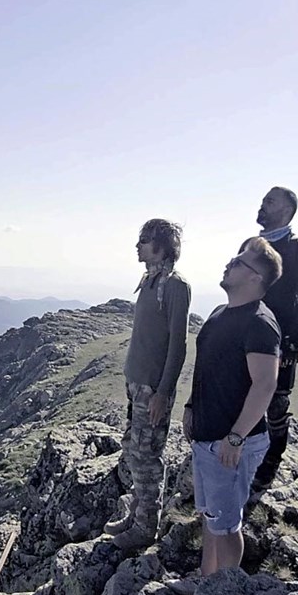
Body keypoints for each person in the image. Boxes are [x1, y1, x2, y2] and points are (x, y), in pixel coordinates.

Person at [170, 237, 282, 595]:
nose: (229, 264)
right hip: (208, 436)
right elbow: (208, 368)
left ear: (255, 278)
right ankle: (207, 580)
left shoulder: (259, 324)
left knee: (227, 523)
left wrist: (236, 437)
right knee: (211, 516)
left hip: (230, 443)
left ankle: (224, 593)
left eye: (238, 262)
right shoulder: (221, 314)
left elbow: (265, 384)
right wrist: (190, 408)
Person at [107, 219, 192, 550]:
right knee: (134, 448)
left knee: (147, 456)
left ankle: (145, 528)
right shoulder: (150, 280)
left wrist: (163, 393)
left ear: (162, 245)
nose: (137, 246)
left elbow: (178, 345)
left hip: (152, 390)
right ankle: (136, 514)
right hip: (136, 385)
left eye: (144, 240)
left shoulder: (174, 286)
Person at [247, 186, 298, 497]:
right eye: (263, 200)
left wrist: (292, 342)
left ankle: (269, 466)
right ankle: (245, 456)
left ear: (287, 211)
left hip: (280, 345)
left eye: (270, 201)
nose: (262, 206)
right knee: (242, 399)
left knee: (276, 406)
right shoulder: (250, 246)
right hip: (246, 340)